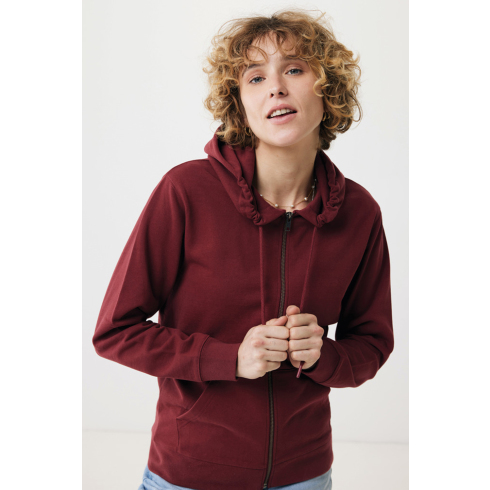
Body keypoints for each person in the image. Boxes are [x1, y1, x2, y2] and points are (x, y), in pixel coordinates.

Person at [92, 8, 394, 490]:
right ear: (240, 105)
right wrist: (228, 359)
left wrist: (324, 356)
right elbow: (115, 332)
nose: (276, 88)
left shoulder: (359, 212)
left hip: (305, 475)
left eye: (294, 69)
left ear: (328, 89)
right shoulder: (185, 192)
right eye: (255, 77)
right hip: (188, 474)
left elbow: (373, 344)